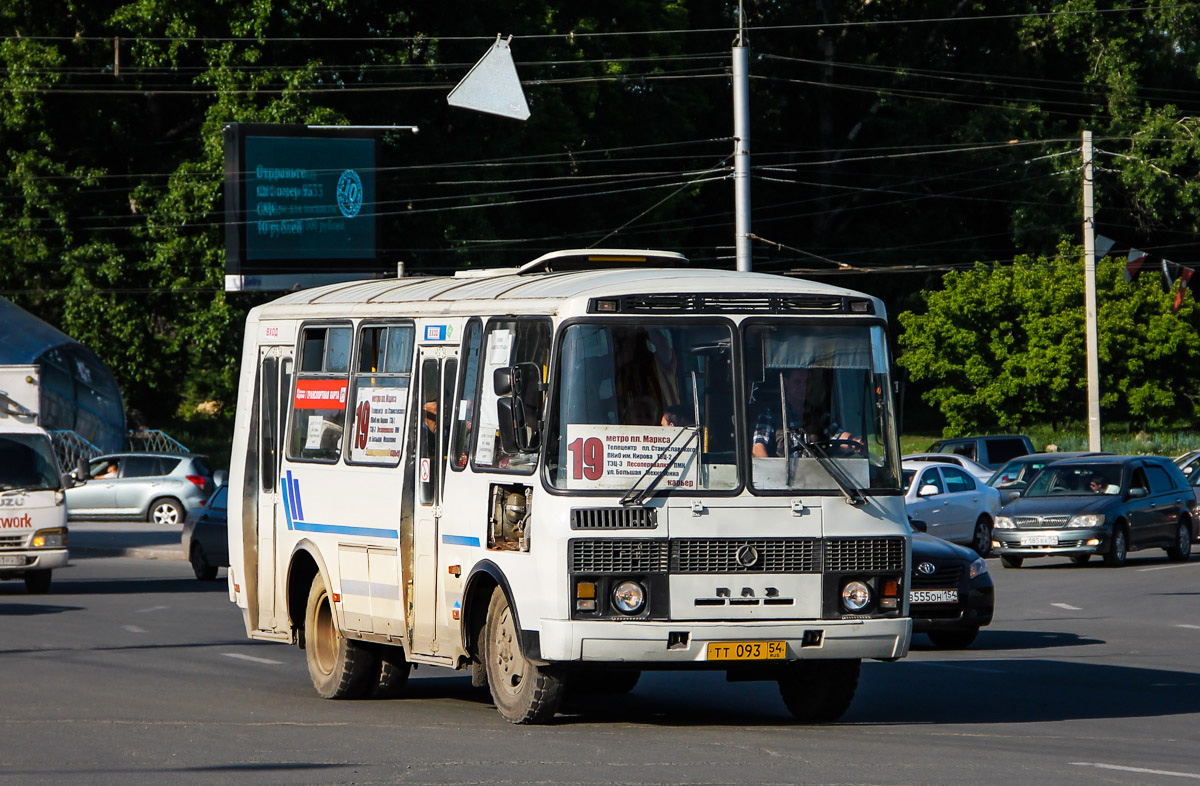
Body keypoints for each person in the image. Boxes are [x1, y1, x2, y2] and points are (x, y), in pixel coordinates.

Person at [751, 368, 857, 458]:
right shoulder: (771, 414)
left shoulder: (817, 413)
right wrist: (771, 475)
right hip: (784, 477)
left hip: (817, 475)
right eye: (797, 382)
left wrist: (855, 442)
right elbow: (758, 446)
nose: (803, 386)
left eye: (806, 382)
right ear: (785, 382)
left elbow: (837, 435)